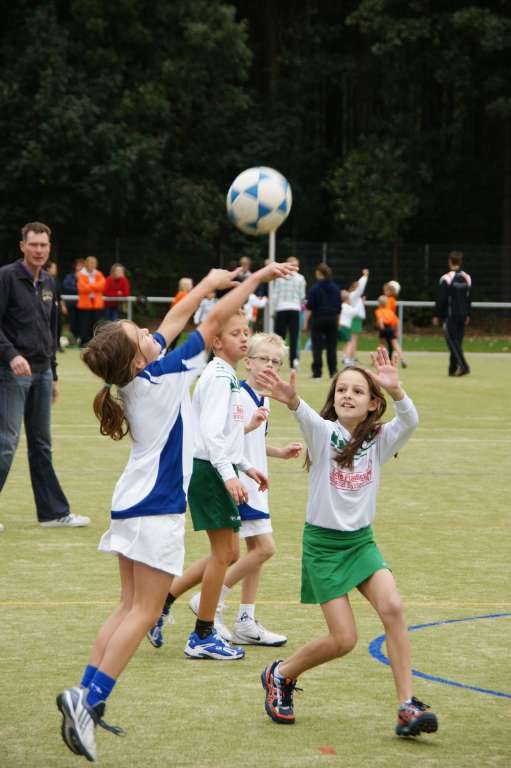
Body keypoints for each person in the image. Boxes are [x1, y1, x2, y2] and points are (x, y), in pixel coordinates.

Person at [55, 259, 295, 762]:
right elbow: (207, 325)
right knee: (144, 611)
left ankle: (83, 697)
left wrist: (207, 284)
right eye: (136, 332)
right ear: (137, 359)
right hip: (155, 506)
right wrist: (252, 282)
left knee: (127, 607)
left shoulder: (143, 369)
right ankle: (90, 699)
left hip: (130, 501)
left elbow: (170, 322)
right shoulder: (162, 375)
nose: (147, 329)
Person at [257, 348, 439, 738]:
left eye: (358, 391)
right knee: (344, 640)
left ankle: (406, 705)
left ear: (374, 404)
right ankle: (281, 674)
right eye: (342, 389)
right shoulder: (325, 434)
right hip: (323, 546)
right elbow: (305, 415)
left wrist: (397, 389)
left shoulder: (380, 439)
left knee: (393, 606)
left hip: (360, 543)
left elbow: (411, 419)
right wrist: (291, 400)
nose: (348, 395)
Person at [147, 333, 302, 649]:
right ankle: (209, 603)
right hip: (236, 482)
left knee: (236, 553)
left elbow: (246, 441)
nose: (270, 366)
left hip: (249, 479)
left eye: (276, 362)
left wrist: (279, 452)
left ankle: (234, 614)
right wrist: (239, 470)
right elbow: (222, 439)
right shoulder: (235, 391)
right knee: (257, 550)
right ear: (249, 362)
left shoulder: (261, 398)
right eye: (264, 360)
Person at [0, 222, 89, 531]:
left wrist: (53, 374)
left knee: (41, 445)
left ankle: (52, 513)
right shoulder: (6, 278)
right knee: (6, 442)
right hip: (10, 374)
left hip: (40, 374)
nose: (38, 250)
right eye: (33, 244)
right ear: (22, 246)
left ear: (49, 248)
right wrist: (11, 356)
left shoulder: (50, 283)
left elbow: (52, 332)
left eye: (44, 245)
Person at [432, 251, 471, 376]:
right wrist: (468, 314)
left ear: (450, 261)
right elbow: (468, 298)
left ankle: (463, 366)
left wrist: (437, 314)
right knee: (457, 342)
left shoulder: (446, 278)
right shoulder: (467, 278)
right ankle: (452, 369)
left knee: (452, 342)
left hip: (450, 316)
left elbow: (442, 298)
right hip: (463, 315)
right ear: (461, 262)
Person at [304, 263, 341, 379]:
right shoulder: (335, 288)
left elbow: (309, 306)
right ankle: (333, 371)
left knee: (317, 347)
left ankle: (317, 373)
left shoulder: (314, 289)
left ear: (319, 274)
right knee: (332, 346)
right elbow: (339, 307)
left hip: (318, 319)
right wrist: (338, 321)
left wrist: (306, 322)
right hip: (332, 318)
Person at [273, 256, 307, 369]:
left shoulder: (279, 278)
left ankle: (276, 360)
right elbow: (302, 296)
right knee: (294, 337)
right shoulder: (301, 278)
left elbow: (275, 296)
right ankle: (293, 362)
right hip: (294, 309)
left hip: (281, 309)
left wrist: (274, 310)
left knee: (279, 338)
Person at [77, 256, 106, 346]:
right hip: (85, 304)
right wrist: (95, 287)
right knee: (84, 324)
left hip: (97, 304)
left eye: (94, 263)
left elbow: (102, 285)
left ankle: (95, 342)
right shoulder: (81, 274)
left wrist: (89, 286)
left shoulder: (99, 274)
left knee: (96, 324)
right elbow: (82, 288)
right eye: (90, 263)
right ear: (87, 264)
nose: (92, 265)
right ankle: (84, 342)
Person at [344, 268, 369, 364]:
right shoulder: (354, 294)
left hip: (354, 319)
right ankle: (348, 358)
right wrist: (365, 276)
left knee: (353, 339)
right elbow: (361, 286)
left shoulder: (354, 296)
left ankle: (351, 357)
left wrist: (361, 302)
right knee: (352, 339)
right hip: (355, 319)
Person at [374, 296, 406, 367]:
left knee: (381, 345)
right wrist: (396, 331)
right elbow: (396, 322)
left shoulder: (378, 311)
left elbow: (380, 319)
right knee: (395, 344)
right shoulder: (390, 312)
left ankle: (378, 360)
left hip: (384, 328)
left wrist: (382, 328)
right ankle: (402, 359)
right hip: (390, 328)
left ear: (379, 304)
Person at [46, 260, 68, 351]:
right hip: (47, 307)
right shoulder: (43, 280)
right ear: (48, 269)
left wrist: (63, 306)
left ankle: (57, 345)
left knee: (58, 326)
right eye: (53, 268)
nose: (55, 270)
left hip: (56, 307)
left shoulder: (56, 281)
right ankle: (48, 345)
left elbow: (59, 295)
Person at [62, 259, 85, 344]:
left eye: (82, 266)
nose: (80, 267)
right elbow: (66, 286)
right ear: (75, 266)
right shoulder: (69, 276)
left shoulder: (87, 277)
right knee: (72, 322)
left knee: (83, 323)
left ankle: (81, 339)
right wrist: (79, 288)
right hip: (72, 304)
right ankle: (73, 339)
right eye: (79, 265)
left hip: (84, 305)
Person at [169, 277, 193, 349]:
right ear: (186, 286)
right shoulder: (183, 295)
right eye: (191, 284)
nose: (192, 286)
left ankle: (168, 350)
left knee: (175, 337)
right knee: (174, 338)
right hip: (177, 319)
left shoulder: (180, 294)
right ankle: (167, 351)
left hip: (176, 319)